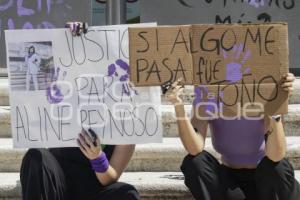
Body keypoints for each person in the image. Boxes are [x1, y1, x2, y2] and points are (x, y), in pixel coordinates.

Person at [20, 23, 140, 200]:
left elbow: (110, 178)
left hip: (94, 190)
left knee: (127, 193)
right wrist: (67, 36)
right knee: (36, 156)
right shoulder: (62, 93)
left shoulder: (124, 116)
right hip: (57, 187)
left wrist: (97, 157)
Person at [166, 73, 300, 200]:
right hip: (230, 184)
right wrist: (178, 106)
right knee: (194, 163)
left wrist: (276, 106)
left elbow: (276, 155)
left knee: (278, 167)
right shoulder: (208, 93)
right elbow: (194, 148)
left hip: (265, 182)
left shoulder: (265, 90)